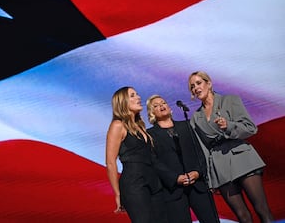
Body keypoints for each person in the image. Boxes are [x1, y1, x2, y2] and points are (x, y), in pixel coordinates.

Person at [188, 71, 274, 223]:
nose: (196, 88)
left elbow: (250, 128)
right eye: (192, 86)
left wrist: (229, 125)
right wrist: (210, 178)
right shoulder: (196, 118)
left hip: (242, 159)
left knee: (261, 209)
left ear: (209, 83)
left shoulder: (230, 100)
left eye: (199, 83)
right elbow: (203, 149)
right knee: (242, 216)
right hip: (220, 168)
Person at [146, 94, 220, 223]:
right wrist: (175, 178)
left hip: (197, 185)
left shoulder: (186, 126)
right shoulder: (150, 135)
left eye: (163, 103)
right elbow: (154, 162)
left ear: (169, 107)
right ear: (152, 113)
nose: (161, 106)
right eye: (156, 106)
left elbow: (199, 151)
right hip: (173, 190)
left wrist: (197, 172)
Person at [105, 86, 168, 223]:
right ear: (123, 102)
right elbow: (110, 162)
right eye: (133, 95)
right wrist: (117, 194)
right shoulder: (118, 125)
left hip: (154, 182)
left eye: (137, 94)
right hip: (134, 184)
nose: (138, 97)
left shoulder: (140, 126)